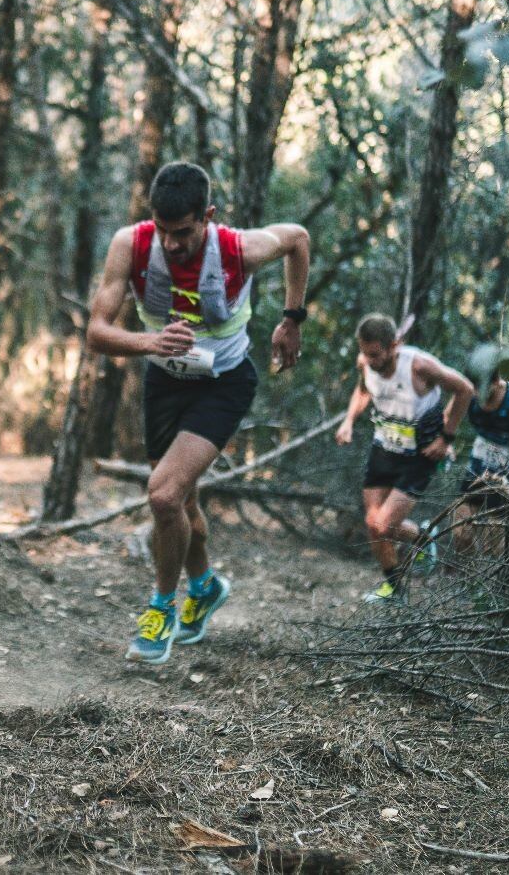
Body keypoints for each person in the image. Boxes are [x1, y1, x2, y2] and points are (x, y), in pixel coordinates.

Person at [86, 162, 310, 663]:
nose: (170, 243)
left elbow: (298, 238)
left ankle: (162, 606)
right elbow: (96, 332)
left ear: (207, 216)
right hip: (166, 382)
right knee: (181, 504)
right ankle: (205, 586)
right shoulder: (132, 245)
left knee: (164, 495)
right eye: (162, 231)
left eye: (182, 232)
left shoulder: (239, 249)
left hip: (224, 384)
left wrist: (292, 319)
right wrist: (149, 341)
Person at [335, 315, 474, 602]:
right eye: (364, 352)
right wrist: (349, 420)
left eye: (375, 354)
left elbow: (465, 390)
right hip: (384, 448)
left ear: (394, 346)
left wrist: (446, 437)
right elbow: (363, 390)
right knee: (373, 523)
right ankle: (399, 578)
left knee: (385, 526)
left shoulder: (419, 367)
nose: (369, 360)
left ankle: (406, 571)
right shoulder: (365, 363)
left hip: (420, 454)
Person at [452, 366, 509, 558]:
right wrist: (445, 439)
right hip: (478, 465)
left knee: (494, 539)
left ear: (496, 381)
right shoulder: (468, 393)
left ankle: (495, 583)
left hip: (508, 472)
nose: (476, 393)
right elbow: (450, 414)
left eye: (481, 387)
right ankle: (467, 579)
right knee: (460, 530)